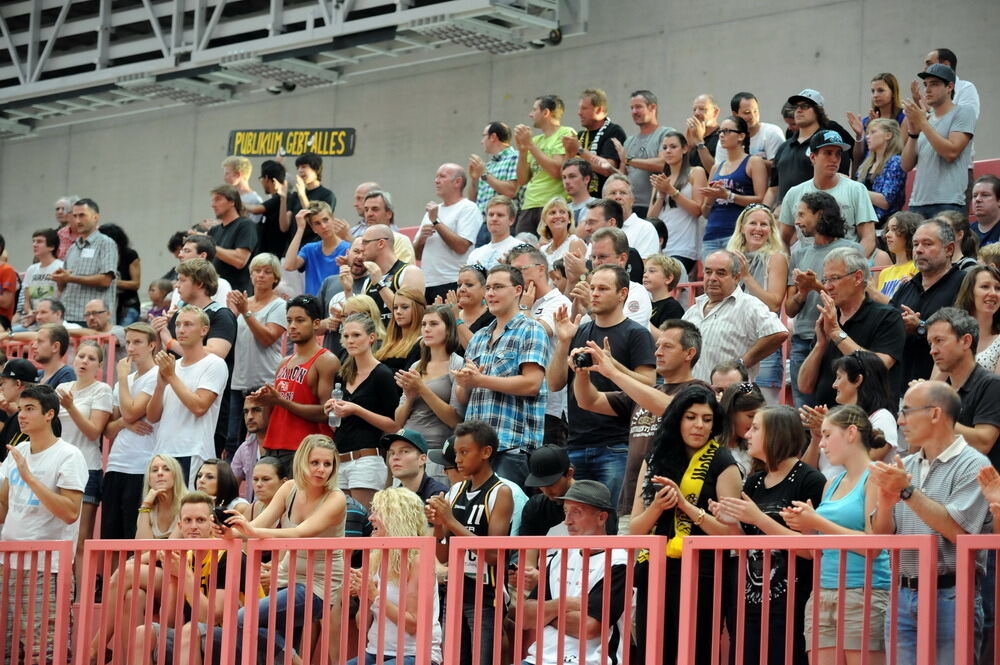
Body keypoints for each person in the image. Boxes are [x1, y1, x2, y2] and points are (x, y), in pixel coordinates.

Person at [870, 381, 989, 665]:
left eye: (907, 412)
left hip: (951, 594)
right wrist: (886, 504)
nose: (900, 421)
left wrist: (907, 493)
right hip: (902, 594)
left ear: (935, 414)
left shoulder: (974, 464)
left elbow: (959, 533)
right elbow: (879, 538)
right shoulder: (906, 465)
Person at [630, 384, 742, 665]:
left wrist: (686, 506)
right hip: (655, 572)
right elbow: (635, 529)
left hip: (703, 575)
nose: (699, 426)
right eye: (691, 417)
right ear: (677, 419)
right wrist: (657, 506)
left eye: (707, 419)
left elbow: (732, 534)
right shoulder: (655, 458)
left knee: (696, 653)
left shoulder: (724, 462)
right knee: (653, 654)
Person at [713, 405, 826, 665]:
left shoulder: (810, 480)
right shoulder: (753, 482)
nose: (747, 434)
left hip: (791, 606)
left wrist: (757, 518)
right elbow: (746, 543)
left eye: (755, 428)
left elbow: (812, 550)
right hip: (749, 603)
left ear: (776, 433)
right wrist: (732, 523)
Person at [780, 405, 891, 665]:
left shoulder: (875, 477)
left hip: (863, 591)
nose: (822, 444)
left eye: (828, 435)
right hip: (822, 592)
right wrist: (805, 526)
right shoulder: (832, 483)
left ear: (851, 433)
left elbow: (873, 545)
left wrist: (816, 520)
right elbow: (817, 549)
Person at [225, 434, 346, 662]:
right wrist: (229, 532)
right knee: (273, 654)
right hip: (285, 577)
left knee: (244, 619)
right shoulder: (289, 487)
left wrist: (251, 532)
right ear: (302, 462)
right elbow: (258, 525)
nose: (321, 469)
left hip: (317, 585)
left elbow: (301, 533)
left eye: (327, 464)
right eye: (315, 463)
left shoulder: (336, 498)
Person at [0, 384, 87, 665]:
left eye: (30, 409)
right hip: (7, 561)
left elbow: (71, 512)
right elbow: (3, 506)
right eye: (21, 409)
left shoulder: (69, 455)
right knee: (7, 647)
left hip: (46, 567)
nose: (21, 416)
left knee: (46, 649)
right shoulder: (18, 450)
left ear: (50, 414)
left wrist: (30, 478)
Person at [129, 490, 255, 665]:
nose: (193, 526)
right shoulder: (185, 557)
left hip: (241, 639)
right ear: (180, 526)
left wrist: (184, 574)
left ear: (212, 523)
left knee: (190, 630)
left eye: (201, 520)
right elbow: (170, 622)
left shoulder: (228, 555)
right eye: (188, 520)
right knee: (144, 633)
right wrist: (173, 577)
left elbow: (210, 617)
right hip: (192, 639)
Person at [425, 420, 514, 665]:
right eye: (456, 454)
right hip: (453, 591)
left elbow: (495, 555)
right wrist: (439, 525)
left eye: (464, 452)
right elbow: (442, 556)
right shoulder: (455, 491)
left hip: (485, 596)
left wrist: (450, 521)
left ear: (486, 452)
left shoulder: (500, 492)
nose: (458, 460)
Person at [456, 265, 550, 487]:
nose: (490, 293)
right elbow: (462, 398)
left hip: (512, 446)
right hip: (475, 448)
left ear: (518, 290)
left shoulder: (531, 329)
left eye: (498, 287)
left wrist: (479, 380)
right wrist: (465, 383)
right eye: (488, 288)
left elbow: (532, 384)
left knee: (508, 517)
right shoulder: (478, 337)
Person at [521, 479, 630, 665]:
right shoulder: (559, 556)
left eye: (576, 512)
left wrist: (546, 616)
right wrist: (565, 604)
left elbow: (588, 628)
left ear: (602, 518)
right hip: (537, 659)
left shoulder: (618, 562)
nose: (567, 521)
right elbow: (525, 617)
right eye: (565, 511)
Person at [796, 246, 905, 407]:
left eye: (834, 278)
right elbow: (804, 386)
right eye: (825, 280)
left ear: (858, 277)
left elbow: (879, 366)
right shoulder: (831, 318)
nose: (827, 287)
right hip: (828, 423)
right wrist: (820, 345)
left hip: (868, 423)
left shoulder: (888, 317)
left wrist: (835, 332)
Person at [347, 487, 444, 665]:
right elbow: (362, 625)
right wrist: (364, 594)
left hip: (416, 655)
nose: (370, 518)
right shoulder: (376, 557)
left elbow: (412, 624)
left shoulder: (419, 560)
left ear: (397, 519)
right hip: (375, 652)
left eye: (378, 512)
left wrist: (374, 595)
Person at [784, 192, 862, 406]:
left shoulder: (852, 250)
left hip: (837, 339)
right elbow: (790, 310)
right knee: (805, 411)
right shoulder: (799, 254)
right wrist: (803, 291)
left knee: (837, 407)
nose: (797, 221)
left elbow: (855, 297)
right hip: (802, 340)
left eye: (801, 214)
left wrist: (816, 286)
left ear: (819, 215)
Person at [158, 258, 238, 456]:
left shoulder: (221, 315)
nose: (177, 285)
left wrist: (169, 342)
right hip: (172, 418)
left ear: (200, 283)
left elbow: (216, 352)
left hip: (206, 418)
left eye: (182, 279)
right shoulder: (177, 317)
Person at [147, 305, 229, 483]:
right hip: (162, 452)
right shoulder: (172, 365)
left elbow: (199, 406)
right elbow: (152, 417)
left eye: (188, 324)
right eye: (177, 324)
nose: (181, 330)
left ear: (204, 330)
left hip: (192, 451)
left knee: (187, 510)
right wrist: (160, 387)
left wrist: (171, 376)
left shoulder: (214, 363)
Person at [325, 313, 398, 509]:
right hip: (340, 457)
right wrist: (332, 411)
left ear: (371, 338)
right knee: (343, 525)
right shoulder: (342, 374)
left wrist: (357, 409)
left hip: (367, 458)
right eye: (346, 336)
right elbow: (337, 426)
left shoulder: (382, 374)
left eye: (356, 335)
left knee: (361, 522)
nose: (350, 340)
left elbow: (394, 424)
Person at [683, 250, 787, 384]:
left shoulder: (749, 304)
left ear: (737, 277)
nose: (712, 278)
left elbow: (778, 333)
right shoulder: (693, 310)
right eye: (708, 272)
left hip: (732, 396)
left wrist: (741, 364)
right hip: (694, 393)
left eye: (721, 273)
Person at [256, 294, 337, 462]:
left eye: (300, 320)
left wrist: (281, 401)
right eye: (289, 320)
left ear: (316, 323)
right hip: (273, 444)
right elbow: (275, 410)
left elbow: (327, 412)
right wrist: (265, 400)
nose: (292, 326)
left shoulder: (326, 361)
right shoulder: (284, 362)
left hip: (305, 449)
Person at [55, 340, 112, 578]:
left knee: (80, 538)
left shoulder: (102, 390)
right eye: (81, 356)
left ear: (99, 365)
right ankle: (57, 594)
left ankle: (80, 600)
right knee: (57, 536)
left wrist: (71, 406)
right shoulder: (62, 387)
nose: (84, 361)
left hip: (86, 468)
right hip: (58, 468)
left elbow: (94, 431)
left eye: (91, 358)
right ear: (73, 359)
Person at [388, 305, 463, 485]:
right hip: (406, 448)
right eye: (424, 324)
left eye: (434, 324)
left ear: (448, 329)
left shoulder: (457, 364)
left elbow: (456, 420)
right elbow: (398, 420)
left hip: (435, 452)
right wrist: (410, 397)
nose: (427, 329)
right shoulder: (416, 366)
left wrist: (422, 389)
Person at [101, 322, 161, 539]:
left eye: (137, 342)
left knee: (132, 534)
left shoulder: (155, 375)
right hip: (116, 463)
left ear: (152, 345)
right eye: (128, 342)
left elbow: (131, 412)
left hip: (142, 465)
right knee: (110, 535)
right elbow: (108, 429)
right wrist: (125, 424)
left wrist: (123, 378)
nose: (131, 348)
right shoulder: (122, 383)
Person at [890, 218, 968, 385]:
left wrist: (921, 326)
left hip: (945, 391)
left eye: (927, 244)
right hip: (901, 388)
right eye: (916, 244)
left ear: (949, 250)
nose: (918, 250)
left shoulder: (964, 284)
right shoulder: (905, 288)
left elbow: (966, 333)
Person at [778, 129, 878, 256]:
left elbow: (868, 239)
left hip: (845, 269)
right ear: (813, 157)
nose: (834, 159)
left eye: (838, 154)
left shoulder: (857, 189)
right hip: (807, 269)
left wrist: (849, 266)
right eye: (828, 153)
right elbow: (782, 239)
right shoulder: (794, 193)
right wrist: (787, 267)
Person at [801, 349, 898, 477]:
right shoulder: (836, 419)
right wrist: (817, 437)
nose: (834, 385)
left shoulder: (882, 417)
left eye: (839, 377)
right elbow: (805, 474)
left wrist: (834, 429)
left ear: (857, 379)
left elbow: (868, 460)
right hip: (827, 493)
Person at [727, 204, 789, 401]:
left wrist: (746, 276)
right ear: (742, 228)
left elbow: (774, 304)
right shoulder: (729, 258)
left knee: (762, 411)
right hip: (732, 342)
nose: (758, 228)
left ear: (771, 231)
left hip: (764, 347)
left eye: (764, 224)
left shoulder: (776, 258)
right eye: (753, 223)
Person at [925, 308, 1000, 463]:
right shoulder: (941, 392)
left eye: (939, 341)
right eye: (930, 343)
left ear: (966, 341)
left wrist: (932, 413)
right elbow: (919, 450)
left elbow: (983, 443)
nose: (932, 351)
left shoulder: (992, 385)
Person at [226, 253, 286, 447]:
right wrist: (232, 312)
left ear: (275, 278)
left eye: (267, 272)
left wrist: (245, 312)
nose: (261, 275)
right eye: (257, 271)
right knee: (233, 440)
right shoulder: (243, 303)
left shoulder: (279, 305)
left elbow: (267, 338)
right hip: (240, 380)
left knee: (265, 438)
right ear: (250, 275)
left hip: (266, 379)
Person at [902, 63, 976, 218]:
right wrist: (914, 134)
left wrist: (922, 122)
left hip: (948, 202)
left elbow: (951, 152)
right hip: (917, 203)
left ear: (949, 87)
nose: (927, 90)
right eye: (925, 85)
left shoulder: (963, 112)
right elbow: (906, 165)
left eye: (934, 84)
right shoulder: (926, 119)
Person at [768, 89, 855, 209]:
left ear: (818, 111)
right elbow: (773, 188)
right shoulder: (784, 147)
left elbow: (841, 182)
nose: (798, 110)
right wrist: (762, 210)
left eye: (805, 106)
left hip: (818, 216)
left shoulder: (831, 144)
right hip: (784, 217)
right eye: (796, 107)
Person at [414, 163, 483, 303]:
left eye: (442, 176)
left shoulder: (468, 208)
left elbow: (462, 247)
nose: (436, 180)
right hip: (427, 283)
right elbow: (417, 254)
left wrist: (436, 222)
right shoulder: (433, 211)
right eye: (436, 177)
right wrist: (421, 239)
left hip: (453, 282)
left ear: (457, 182)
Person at [700, 115, 767, 256]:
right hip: (711, 235)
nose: (722, 135)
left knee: (737, 276)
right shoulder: (716, 168)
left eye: (727, 131)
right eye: (720, 132)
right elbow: (705, 212)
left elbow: (761, 200)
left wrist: (728, 195)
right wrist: (710, 200)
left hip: (737, 234)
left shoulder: (754, 162)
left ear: (741, 136)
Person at [513, 94, 577, 235]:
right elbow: (523, 180)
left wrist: (529, 145)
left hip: (552, 205)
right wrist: (523, 151)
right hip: (529, 204)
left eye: (534, 110)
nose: (530, 114)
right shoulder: (535, 140)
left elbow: (556, 171)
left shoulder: (566, 133)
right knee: (522, 252)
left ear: (546, 112)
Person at [49, 198, 118, 325]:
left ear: (96, 217)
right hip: (68, 315)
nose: (77, 221)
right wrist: (60, 279)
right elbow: (64, 284)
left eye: (82, 215)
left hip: (93, 319)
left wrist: (70, 278)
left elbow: (106, 280)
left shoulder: (106, 243)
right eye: (74, 216)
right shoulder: (72, 248)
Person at [649, 131, 708, 272]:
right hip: (661, 246)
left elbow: (698, 210)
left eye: (673, 146)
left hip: (684, 247)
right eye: (664, 148)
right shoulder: (661, 179)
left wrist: (671, 191)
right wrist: (662, 195)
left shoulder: (695, 172)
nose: (668, 151)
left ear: (685, 149)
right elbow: (650, 218)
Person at [610, 90, 671, 218]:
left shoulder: (666, 134)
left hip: (656, 206)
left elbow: (664, 163)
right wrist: (607, 167)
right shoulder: (629, 141)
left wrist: (629, 160)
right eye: (631, 108)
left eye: (638, 107)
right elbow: (623, 175)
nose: (634, 112)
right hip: (630, 207)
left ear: (653, 107)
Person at [563, 88, 627, 197]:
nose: (579, 113)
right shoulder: (580, 136)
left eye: (584, 108)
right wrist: (569, 154)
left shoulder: (613, 131)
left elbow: (607, 168)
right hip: (580, 201)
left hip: (604, 201)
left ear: (599, 110)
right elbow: (565, 172)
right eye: (579, 108)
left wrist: (580, 150)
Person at [360, 222, 424, 325]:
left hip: (403, 340)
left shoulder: (410, 272)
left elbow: (409, 315)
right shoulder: (368, 281)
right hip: (379, 340)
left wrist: (379, 284)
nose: (361, 248)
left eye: (365, 242)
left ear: (381, 243)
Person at [283, 201, 351, 296]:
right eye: (317, 223)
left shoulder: (348, 248)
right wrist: (300, 228)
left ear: (333, 219)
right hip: (312, 306)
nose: (323, 226)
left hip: (337, 305)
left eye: (325, 220)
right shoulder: (309, 249)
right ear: (313, 228)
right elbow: (288, 266)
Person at [846, 72, 907, 169]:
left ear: (893, 93)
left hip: (889, 172)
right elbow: (858, 158)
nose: (875, 95)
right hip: (867, 170)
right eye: (873, 91)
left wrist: (880, 131)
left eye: (880, 90)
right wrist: (859, 136)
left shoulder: (903, 118)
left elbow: (900, 151)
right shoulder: (867, 121)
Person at [205, 184, 258, 293]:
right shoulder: (214, 231)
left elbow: (240, 260)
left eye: (218, 200)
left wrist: (208, 244)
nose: (213, 205)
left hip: (236, 294)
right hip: (213, 293)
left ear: (232, 202)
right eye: (212, 201)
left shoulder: (246, 225)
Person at [855, 118, 906, 227]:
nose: (867, 137)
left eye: (873, 132)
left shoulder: (895, 161)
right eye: (867, 133)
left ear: (888, 135)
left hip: (886, 224)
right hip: (864, 220)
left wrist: (855, 189)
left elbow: (886, 202)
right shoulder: (867, 163)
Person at [467, 121, 519, 224]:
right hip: (482, 224)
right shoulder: (488, 166)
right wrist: (474, 179)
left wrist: (485, 174)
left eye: (484, 136)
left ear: (493, 137)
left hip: (504, 224)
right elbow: (472, 201)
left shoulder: (516, 157)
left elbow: (511, 191)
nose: (482, 141)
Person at [718, 92, 787, 167]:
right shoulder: (726, 138)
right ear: (735, 114)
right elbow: (719, 169)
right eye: (747, 112)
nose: (752, 116)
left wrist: (743, 161)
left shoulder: (772, 132)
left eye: (755, 111)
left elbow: (777, 166)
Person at [12, 228, 62, 331]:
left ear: (51, 247)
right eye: (33, 241)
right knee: (10, 334)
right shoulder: (31, 269)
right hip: (34, 320)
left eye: (39, 242)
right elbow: (27, 300)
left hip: (53, 320)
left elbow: (61, 296)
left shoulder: (60, 266)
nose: (34, 244)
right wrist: (30, 312)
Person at [381, 429, 448, 502]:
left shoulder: (437, 495)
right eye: (392, 453)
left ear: (422, 459)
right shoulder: (392, 497)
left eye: (404, 451)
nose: (395, 457)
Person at [285, 151, 337, 244]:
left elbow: (316, 218)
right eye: (298, 168)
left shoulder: (327, 195)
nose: (300, 170)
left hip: (314, 245)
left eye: (304, 166)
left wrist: (302, 195)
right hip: (293, 246)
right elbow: (284, 227)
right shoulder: (294, 195)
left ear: (316, 169)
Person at [955, 266, 1000, 372]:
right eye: (985, 286)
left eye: (998, 288)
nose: (993, 293)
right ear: (970, 292)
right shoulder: (952, 335)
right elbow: (936, 382)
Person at [717, 381, 766, 476]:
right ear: (731, 413)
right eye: (751, 416)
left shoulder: (755, 447)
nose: (755, 422)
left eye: (760, 417)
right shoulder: (710, 444)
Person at [230, 392, 272, 501]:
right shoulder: (244, 448)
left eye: (256, 410)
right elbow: (228, 488)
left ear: (272, 412)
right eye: (245, 412)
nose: (249, 417)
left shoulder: (284, 449)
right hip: (251, 515)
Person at [374, 287, 426, 373]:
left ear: (418, 309)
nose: (398, 311)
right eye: (395, 307)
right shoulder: (388, 343)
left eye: (404, 307)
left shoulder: (421, 344)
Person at [99, 223, 142, 325]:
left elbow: (136, 284)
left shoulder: (129, 254)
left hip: (127, 305)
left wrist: (108, 281)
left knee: (122, 334)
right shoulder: (101, 256)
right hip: (108, 304)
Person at [875, 211, 921, 301]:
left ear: (909, 234)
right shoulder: (884, 273)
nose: (887, 235)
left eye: (894, 229)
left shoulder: (917, 267)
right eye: (888, 230)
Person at [0, 359, 42, 452]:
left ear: (18, 384)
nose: (1, 388)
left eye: (3, 383)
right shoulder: (14, 417)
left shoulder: (42, 417)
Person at [467, 195, 521, 268]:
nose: (494, 218)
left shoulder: (520, 249)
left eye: (500, 215)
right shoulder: (475, 254)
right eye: (491, 215)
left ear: (511, 220)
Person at [643, 255, 684, 338]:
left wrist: (642, 319)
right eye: (645, 271)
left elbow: (666, 339)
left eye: (651, 271)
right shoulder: (646, 304)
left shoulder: (673, 307)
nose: (645, 275)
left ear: (668, 279)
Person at [537, 196, 584, 263]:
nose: (558, 216)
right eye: (553, 213)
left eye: (562, 212)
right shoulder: (543, 250)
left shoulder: (575, 243)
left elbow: (576, 272)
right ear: (545, 221)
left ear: (569, 219)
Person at [560, 158, 598, 223]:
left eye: (572, 176)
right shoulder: (561, 210)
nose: (566, 182)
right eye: (564, 177)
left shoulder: (598, 207)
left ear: (586, 179)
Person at [972, 175, 1000, 246]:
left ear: (999, 201)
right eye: (975, 196)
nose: (977, 199)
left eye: (985, 195)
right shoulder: (967, 231)